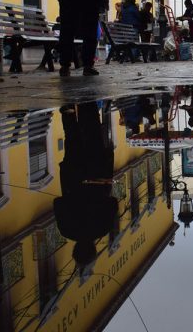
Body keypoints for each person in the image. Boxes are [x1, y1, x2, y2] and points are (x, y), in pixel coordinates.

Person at [53, 102, 118, 267]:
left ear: (93, 248)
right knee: (72, 141)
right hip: (73, 177)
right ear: (75, 250)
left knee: (92, 136)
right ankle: (68, 112)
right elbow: (57, 203)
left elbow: (113, 203)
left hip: (97, 174)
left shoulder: (103, 228)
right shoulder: (66, 230)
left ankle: (86, 105)